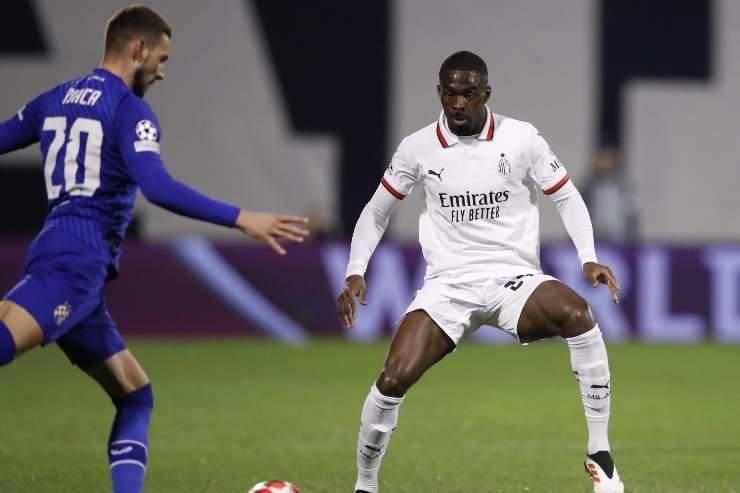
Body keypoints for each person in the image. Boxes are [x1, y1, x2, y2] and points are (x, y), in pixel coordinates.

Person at [0, 6, 308, 493]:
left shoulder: (53, 99)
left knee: (136, 395)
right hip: (75, 261)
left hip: (68, 257)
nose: (163, 71)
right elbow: (158, 188)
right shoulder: (129, 111)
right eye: (161, 58)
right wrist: (241, 217)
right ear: (137, 49)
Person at [337, 51, 624, 493]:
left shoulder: (521, 138)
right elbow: (377, 212)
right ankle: (365, 484)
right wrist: (356, 269)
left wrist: (587, 256)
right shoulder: (417, 148)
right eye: (449, 93)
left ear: (485, 94)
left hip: (513, 278)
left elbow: (565, 196)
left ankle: (600, 454)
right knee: (393, 378)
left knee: (578, 314)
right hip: (448, 285)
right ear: (439, 93)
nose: (457, 103)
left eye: (468, 94)